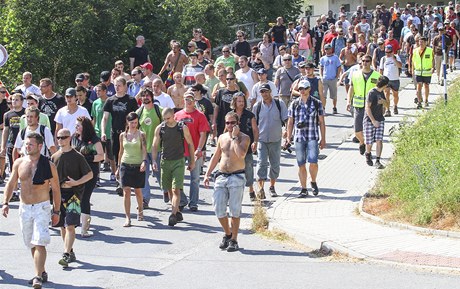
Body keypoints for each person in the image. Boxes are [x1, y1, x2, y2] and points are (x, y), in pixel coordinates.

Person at [2, 132, 61, 289]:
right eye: (26, 144)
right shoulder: (19, 163)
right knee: (31, 243)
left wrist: (56, 211)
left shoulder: (49, 165)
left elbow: (55, 189)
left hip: (41, 207)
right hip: (25, 208)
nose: (27, 147)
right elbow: (11, 182)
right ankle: (41, 271)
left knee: (39, 241)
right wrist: (5, 202)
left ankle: (37, 276)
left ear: (40, 146)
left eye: (31, 144)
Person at [204, 111, 250, 252]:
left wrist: (235, 137)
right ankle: (228, 233)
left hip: (237, 176)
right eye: (227, 123)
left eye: (232, 123)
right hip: (222, 176)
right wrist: (207, 173)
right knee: (218, 208)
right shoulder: (222, 138)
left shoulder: (244, 138)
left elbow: (241, 154)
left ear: (238, 123)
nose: (229, 125)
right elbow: (216, 155)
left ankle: (234, 240)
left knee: (235, 210)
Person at [52, 128, 93, 268]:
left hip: (74, 196)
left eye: (63, 137)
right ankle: (69, 250)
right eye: (58, 137)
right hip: (58, 196)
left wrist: (76, 182)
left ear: (69, 138)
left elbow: (89, 174)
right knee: (62, 227)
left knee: (70, 226)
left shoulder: (77, 156)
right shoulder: (55, 157)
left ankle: (65, 254)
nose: (60, 140)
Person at [151, 108, 195, 226]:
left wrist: (192, 161)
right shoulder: (160, 128)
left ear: (173, 116)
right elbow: (154, 145)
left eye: (168, 118)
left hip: (178, 161)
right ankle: (177, 211)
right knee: (169, 189)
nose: (166, 121)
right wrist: (154, 160)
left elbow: (190, 144)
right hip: (165, 161)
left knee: (176, 189)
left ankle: (173, 215)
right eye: (164, 119)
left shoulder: (182, 128)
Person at [285, 79, 326, 198]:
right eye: (300, 89)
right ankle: (303, 188)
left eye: (304, 89)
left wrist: (323, 139)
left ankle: (313, 181)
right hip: (299, 137)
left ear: (309, 89)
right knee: (301, 163)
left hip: (312, 136)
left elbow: (322, 122)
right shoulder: (294, 103)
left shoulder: (317, 103)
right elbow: (290, 121)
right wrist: (288, 137)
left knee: (313, 162)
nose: (302, 91)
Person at [252, 84, 288, 199]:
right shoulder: (257, 106)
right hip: (262, 140)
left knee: (275, 165)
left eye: (266, 91)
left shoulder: (279, 104)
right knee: (261, 163)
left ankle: (272, 187)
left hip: (275, 139)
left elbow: (286, 119)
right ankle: (261, 189)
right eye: (262, 92)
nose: (264, 94)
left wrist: (286, 131)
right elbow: (254, 124)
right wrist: (254, 140)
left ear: (270, 92)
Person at [71, 116, 104, 237]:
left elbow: (101, 156)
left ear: (85, 127)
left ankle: (84, 228)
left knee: (85, 198)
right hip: (76, 172)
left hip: (90, 172)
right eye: (76, 125)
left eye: (79, 125)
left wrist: (87, 158)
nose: (76, 128)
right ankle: (73, 222)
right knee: (75, 197)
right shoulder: (74, 138)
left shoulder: (94, 139)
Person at [116, 112, 147, 227]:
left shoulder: (141, 134)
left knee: (138, 190)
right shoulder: (122, 135)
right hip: (125, 164)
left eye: (135, 122)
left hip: (137, 164)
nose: (133, 125)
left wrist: (144, 161)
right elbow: (120, 151)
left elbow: (144, 149)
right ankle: (127, 217)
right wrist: (118, 167)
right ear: (127, 122)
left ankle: (140, 211)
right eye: (131, 122)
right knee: (126, 191)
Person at [347, 54, 381, 155]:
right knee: (357, 131)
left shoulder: (377, 75)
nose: (364, 63)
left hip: (371, 107)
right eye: (363, 61)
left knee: (369, 131)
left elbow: (380, 91)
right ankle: (362, 142)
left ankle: (367, 148)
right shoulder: (355, 74)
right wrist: (348, 101)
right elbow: (351, 88)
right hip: (358, 106)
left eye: (367, 61)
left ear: (370, 62)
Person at [136, 88, 163, 207]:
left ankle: (168, 192)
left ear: (152, 97)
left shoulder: (159, 110)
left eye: (147, 95)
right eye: (143, 96)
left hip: (157, 148)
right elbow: (135, 129)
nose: (145, 97)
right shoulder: (139, 112)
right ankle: (145, 199)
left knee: (160, 174)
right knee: (143, 176)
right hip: (143, 150)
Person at [231, 92, 259, 201]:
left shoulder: (250, 115)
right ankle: (233, 192)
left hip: (246, 146)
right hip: (233, 146)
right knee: (233, 169)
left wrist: (255, 141)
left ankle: (251, 190)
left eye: (242, 101)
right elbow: (225, 130)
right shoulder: (230, 115)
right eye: (239, 101)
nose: (241, 103)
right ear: (234, 102)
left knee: (248, 167)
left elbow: (255, 130)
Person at [1, 93, 26, 200]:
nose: (14, 102)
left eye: (16, 100)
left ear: (21, 101)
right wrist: (3, 146)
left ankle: (25, 190)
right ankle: (15, 191)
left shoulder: (26, 113)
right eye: (12, 100)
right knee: (13, 168)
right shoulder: (7, 115)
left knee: (25, 169)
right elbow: (6, 130)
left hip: (24, 145)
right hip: (12, 144)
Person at [364, 76, 389, 169]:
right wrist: (373, 121)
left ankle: (378, 160)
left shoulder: (382, 93)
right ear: (385, 85)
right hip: (369, 120)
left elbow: (387, 105)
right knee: (369, 141)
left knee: (379, 140)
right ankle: (368, 153)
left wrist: (383, 102)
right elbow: (367, 108)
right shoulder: (372, 93)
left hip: (380, 119)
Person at [379, 44, 402, 116]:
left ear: (392, 51)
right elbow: (381, 69)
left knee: (395, 94)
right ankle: (387, 110)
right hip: (386, 79)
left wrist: (394, 58)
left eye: (389, 52)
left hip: (395, 79)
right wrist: (380, 79)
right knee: (386, 94)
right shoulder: (383, 59)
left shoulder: (396, 57)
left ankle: (395, 105)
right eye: (386, 52)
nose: (388, 54)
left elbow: (400, 66)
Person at [411, 36, 434, 108]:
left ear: (425, 43)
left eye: (422, 42)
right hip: (418, 71)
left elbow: (433, 59)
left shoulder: (430, 50)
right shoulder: (415, 50)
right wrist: (412, 69)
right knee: (419, 86)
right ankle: (419, 101)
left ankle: (426, 100)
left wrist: (433, 67)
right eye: (419, 42)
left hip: (427, 71)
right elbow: (413, 61)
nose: (420, 44)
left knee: (426, 86)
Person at [320, 44, 341, 113]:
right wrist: (321, 76)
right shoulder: (323, 58)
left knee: (334, 95)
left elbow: (339, 67)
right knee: (323, 94)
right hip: (325, 78)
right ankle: (323, 108)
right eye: (326, 49)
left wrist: (337, 77)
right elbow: (321, 68)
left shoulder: (335, 57)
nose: (327, 50)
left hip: (333, 78)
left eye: (328, 49)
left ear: (331, 49)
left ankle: (334, 107)